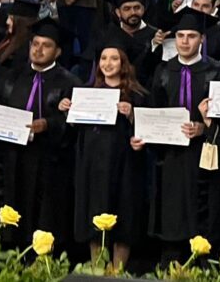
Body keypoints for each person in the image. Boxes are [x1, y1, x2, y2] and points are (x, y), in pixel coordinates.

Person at [132, 8, 220, 257]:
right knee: (172, 218)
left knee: (202, 219)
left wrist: (203, 127)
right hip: (170, 159)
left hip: (203, 157)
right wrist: (143, 136)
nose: (185, 41)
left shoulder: (218, 73)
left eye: (191, 36)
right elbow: (154, 111)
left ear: (202, 40)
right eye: (180, 36)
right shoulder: (164, 71)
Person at [0, 18, 82, 244]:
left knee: (42, 215)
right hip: (10, 157)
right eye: (35, 44)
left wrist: (48, 124)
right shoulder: (12, 75)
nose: (38, 49)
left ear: (57, 52)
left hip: (47, 160)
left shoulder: (70, 82)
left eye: (46, 45)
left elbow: (73, 124)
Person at [61, 36, 149, 268]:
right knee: (93, 217)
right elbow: (73, 131)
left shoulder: (137, 95)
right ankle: (98, 270)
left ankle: (117, 273)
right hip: (91, 164)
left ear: (124, 63)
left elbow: (148, 133)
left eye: (114, 59)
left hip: (124, 166)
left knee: (123, 217)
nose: (108, 63)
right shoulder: (86, 92)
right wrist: (68, 112)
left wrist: (132, 114)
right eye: (103, 58)